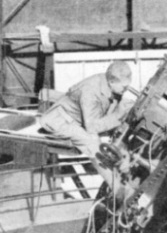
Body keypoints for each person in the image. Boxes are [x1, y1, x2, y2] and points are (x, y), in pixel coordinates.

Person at [38, 61, 133, 192]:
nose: (125, 90)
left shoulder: (108, 83)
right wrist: (117, 115)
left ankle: (122, 172)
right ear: (111, 82)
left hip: (79, 119)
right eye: (124, 87)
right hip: (60, 121)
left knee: (108, 136)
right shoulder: (91, 91)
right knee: (90, 141)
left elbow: (107, 112)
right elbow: (92, 128)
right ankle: (118, 189)